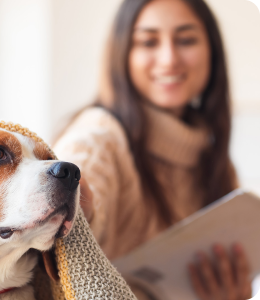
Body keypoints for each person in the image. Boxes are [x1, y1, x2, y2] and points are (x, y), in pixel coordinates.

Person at [53, 0, 251, 299]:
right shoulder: (99, 137)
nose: (169, 59)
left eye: (186, 40)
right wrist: (76, 203)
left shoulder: (214, 160)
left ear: (212, 51)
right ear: (123, 54)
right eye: (148, 42)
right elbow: (82, 204)